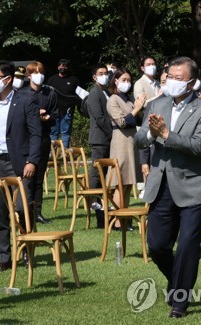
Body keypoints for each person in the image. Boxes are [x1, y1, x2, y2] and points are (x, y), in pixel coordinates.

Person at [135, 56, 201, 318]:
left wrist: (167, 135)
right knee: (157, 245)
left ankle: (180, 301)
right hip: (161, 185)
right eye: (169, 76)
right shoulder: (156, 103)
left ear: (191, 83)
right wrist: (151, 134)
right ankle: (177, 279)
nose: (172, 82)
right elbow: (139, 139)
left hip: (194, 186)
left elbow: (199, 146)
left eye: (179, 79)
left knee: (187, 246)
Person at [0, 61, 41, 272]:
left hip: (19, 162)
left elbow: (35, 133)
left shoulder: (26, 101)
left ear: (8, 79)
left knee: (22, 207)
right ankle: (4, 256)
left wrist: (32, 161)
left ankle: (27, 250)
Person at [107, 67, 146, 230]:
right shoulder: (113, 100)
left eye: (129, 80)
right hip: (120, 143)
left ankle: (125, 217)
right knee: (121, 182)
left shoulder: (128, 99)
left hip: (131, 142)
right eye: (123, 80)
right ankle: (117, 220)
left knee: (129, 183)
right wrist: (136, 108)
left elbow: (137, 119)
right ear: (115, 81)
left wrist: (140, 107)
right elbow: (122, 122)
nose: (127, 83)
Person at [21, 61, 58, 224]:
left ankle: (37, 212)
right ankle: (23, 210)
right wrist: (36, 114)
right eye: (35, 72)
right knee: (25, 177)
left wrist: (47, 117)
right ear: (28, 76)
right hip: (25, 141)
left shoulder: (49, 93)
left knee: (38, 178)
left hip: (43, 139)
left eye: (41, 72)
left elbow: (55, 115)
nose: (39, 75)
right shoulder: (21, 94)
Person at [86, 63, 112, 223]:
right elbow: (99, 117)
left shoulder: (106, 92)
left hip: (107, 139)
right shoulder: (94, 94)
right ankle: (93, 200)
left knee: (105, 172)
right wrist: (113, 132)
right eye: (100, 73)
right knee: (97, 171)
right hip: (100, 139)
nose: (104, 75)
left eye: (106, 73)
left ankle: (102, 202)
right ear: (94, 77)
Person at [48, 59, 81, 148]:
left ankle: (65, 152)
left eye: (65, 66)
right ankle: (53, 153)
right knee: (53, 132)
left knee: (65, 132)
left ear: (68, 67)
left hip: (67, 111)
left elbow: (79, 95)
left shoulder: (74, 80)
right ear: (58, 67)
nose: (63, 68)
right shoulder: (52, 79)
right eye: (61, 66)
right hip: (54, 111)